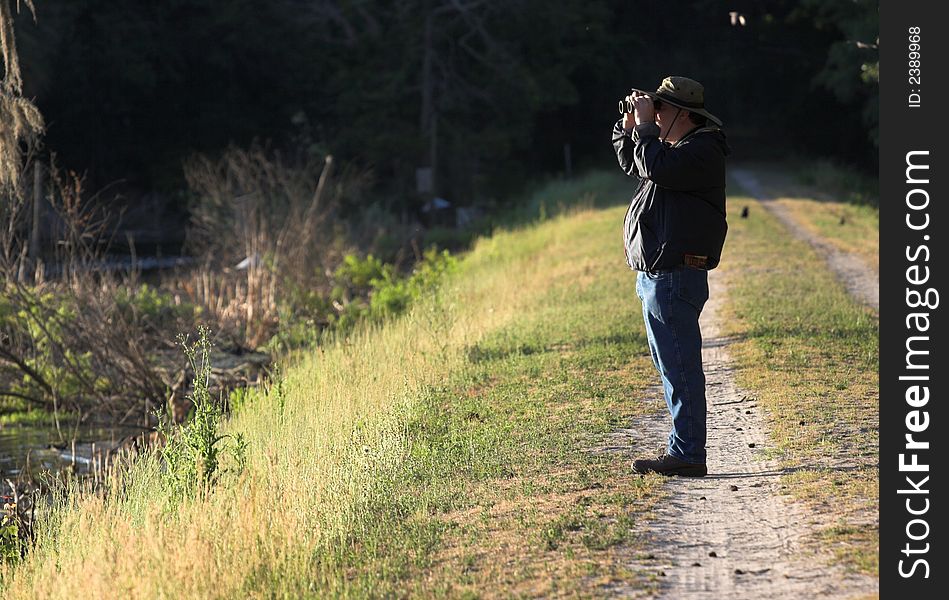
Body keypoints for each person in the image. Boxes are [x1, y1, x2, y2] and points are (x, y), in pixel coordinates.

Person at [611, 76, 730, 477]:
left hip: (676, 275)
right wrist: (630, 127)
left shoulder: (702, 151)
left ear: (683, 113)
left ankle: (689, 454)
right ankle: (684, 449)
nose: (654, 113)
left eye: (660, 108)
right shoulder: (672, 150)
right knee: (670, 367)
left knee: (679, 368)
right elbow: (634, 162)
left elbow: (655, 166)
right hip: (657, 275)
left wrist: (646, 129)